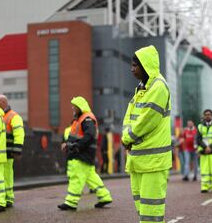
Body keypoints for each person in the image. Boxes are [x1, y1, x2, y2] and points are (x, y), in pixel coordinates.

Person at [122, 45, 172, 223]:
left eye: (135, 65)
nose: (132, 69)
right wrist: (125, 136)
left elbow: (147, 119)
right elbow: (129, 114)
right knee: (143, 209)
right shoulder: (141, 88)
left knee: (151, 212)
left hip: (153, 161)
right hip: (138, 158)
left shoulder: (159, 87)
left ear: (146, 65)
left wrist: (127, 138)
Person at [58, 96, 112, 211]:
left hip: (81, 154)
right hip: (84, 154)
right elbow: (76, 137)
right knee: (91, 177)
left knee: (76, 177)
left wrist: (76, 146)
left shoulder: (86, 119)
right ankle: (105, 196)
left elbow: (89, 135)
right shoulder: (81, 119)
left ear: (80, 107)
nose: (72, 108)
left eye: (74, 106)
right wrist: (67, 144)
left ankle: (71, 202)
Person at [0, 95, 25, 207]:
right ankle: (1, 198)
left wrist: (17, 151)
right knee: (0, 177)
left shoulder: (13, 116)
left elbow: (19, 134)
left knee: (7, 176)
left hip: (8, 152)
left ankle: (8, 199)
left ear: (2, 102)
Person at [196, 109, 212, 193]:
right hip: (204, 152)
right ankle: (205, 186)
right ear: (204, 116)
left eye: (209, 114)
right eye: (206, 115)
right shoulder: (200, 126)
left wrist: (210, 147)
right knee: (204, 170)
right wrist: (205, 147)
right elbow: (198, 139)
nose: (207, 116)